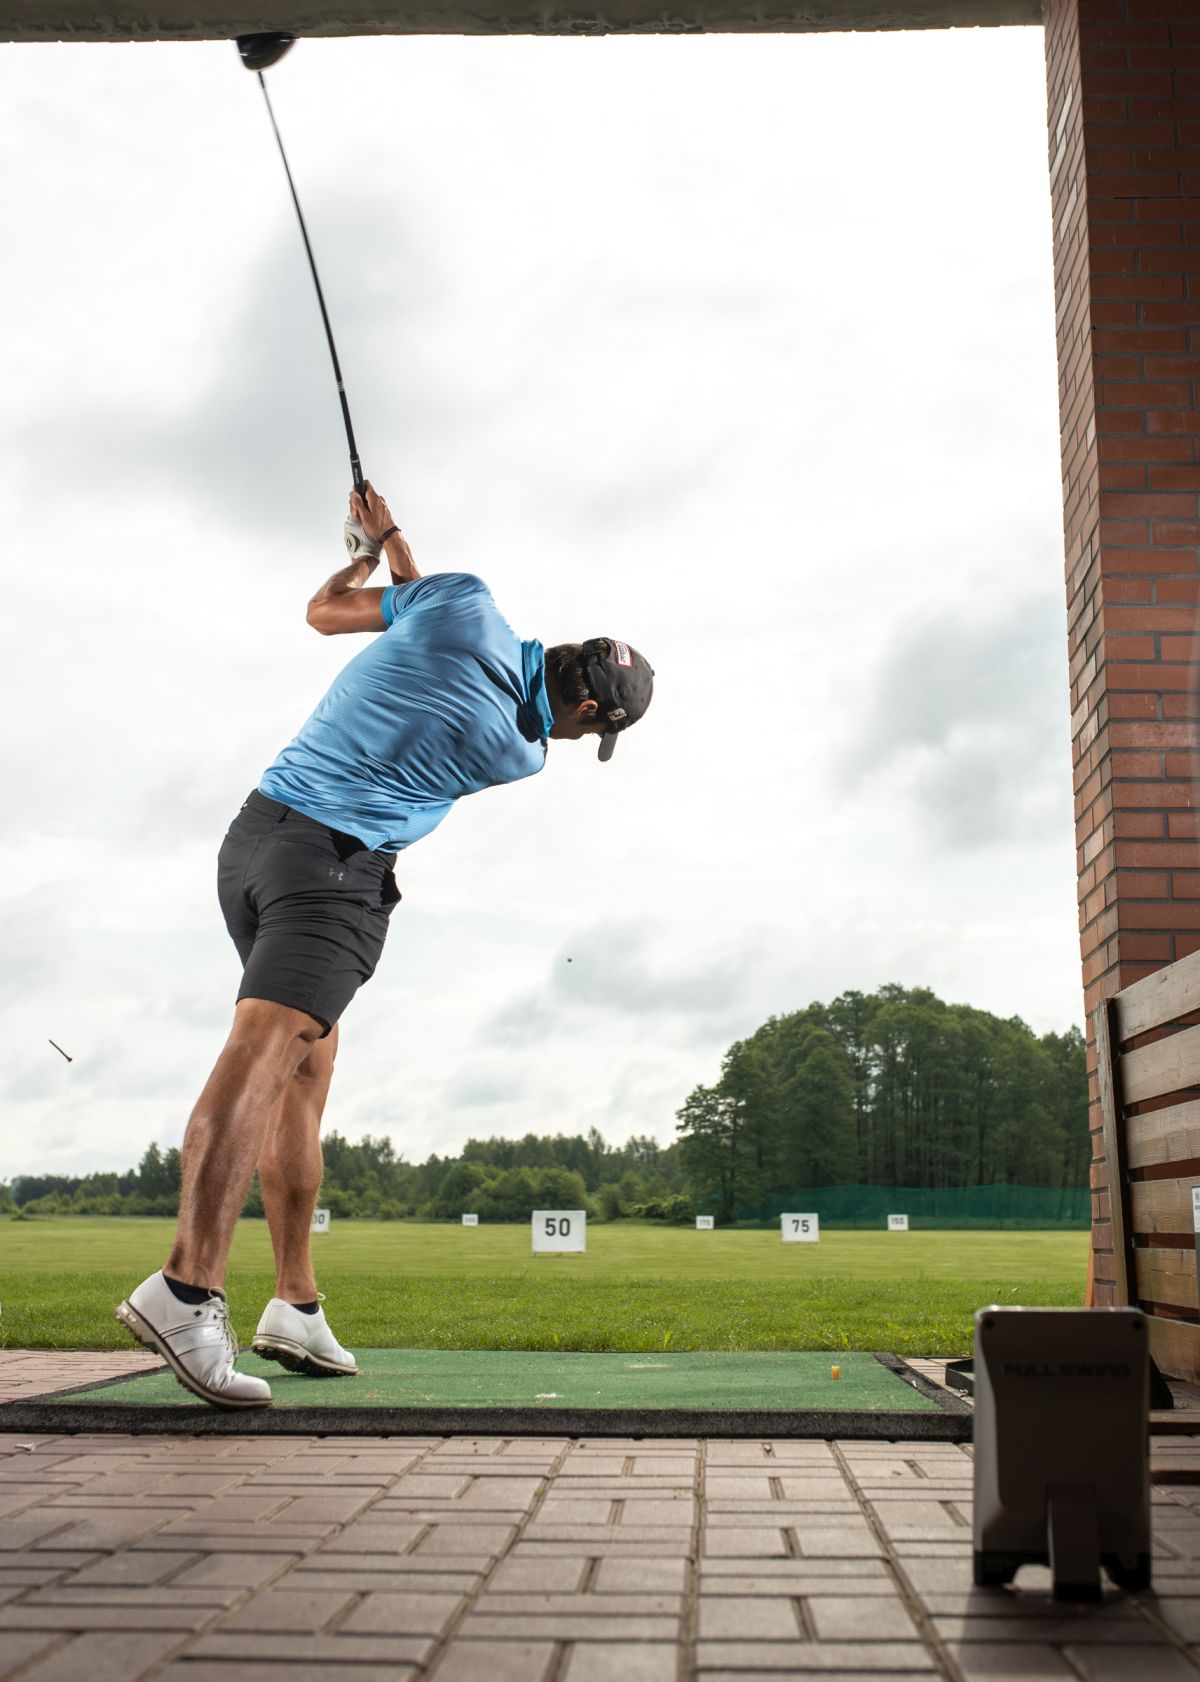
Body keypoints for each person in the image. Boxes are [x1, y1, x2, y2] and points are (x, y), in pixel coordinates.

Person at [116, 484, 654, 1408]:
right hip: (334, 872)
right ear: (586, 711)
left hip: (252, 846)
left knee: (305, 1072)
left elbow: (326, 613)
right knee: (261, 1057)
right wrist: (394, 543)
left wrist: (377, 545)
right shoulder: (518, 749)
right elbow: (481, 680)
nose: (573, 742)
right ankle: (186, 1288)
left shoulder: (464, 600)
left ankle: (295, 1300)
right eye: (589, 733)